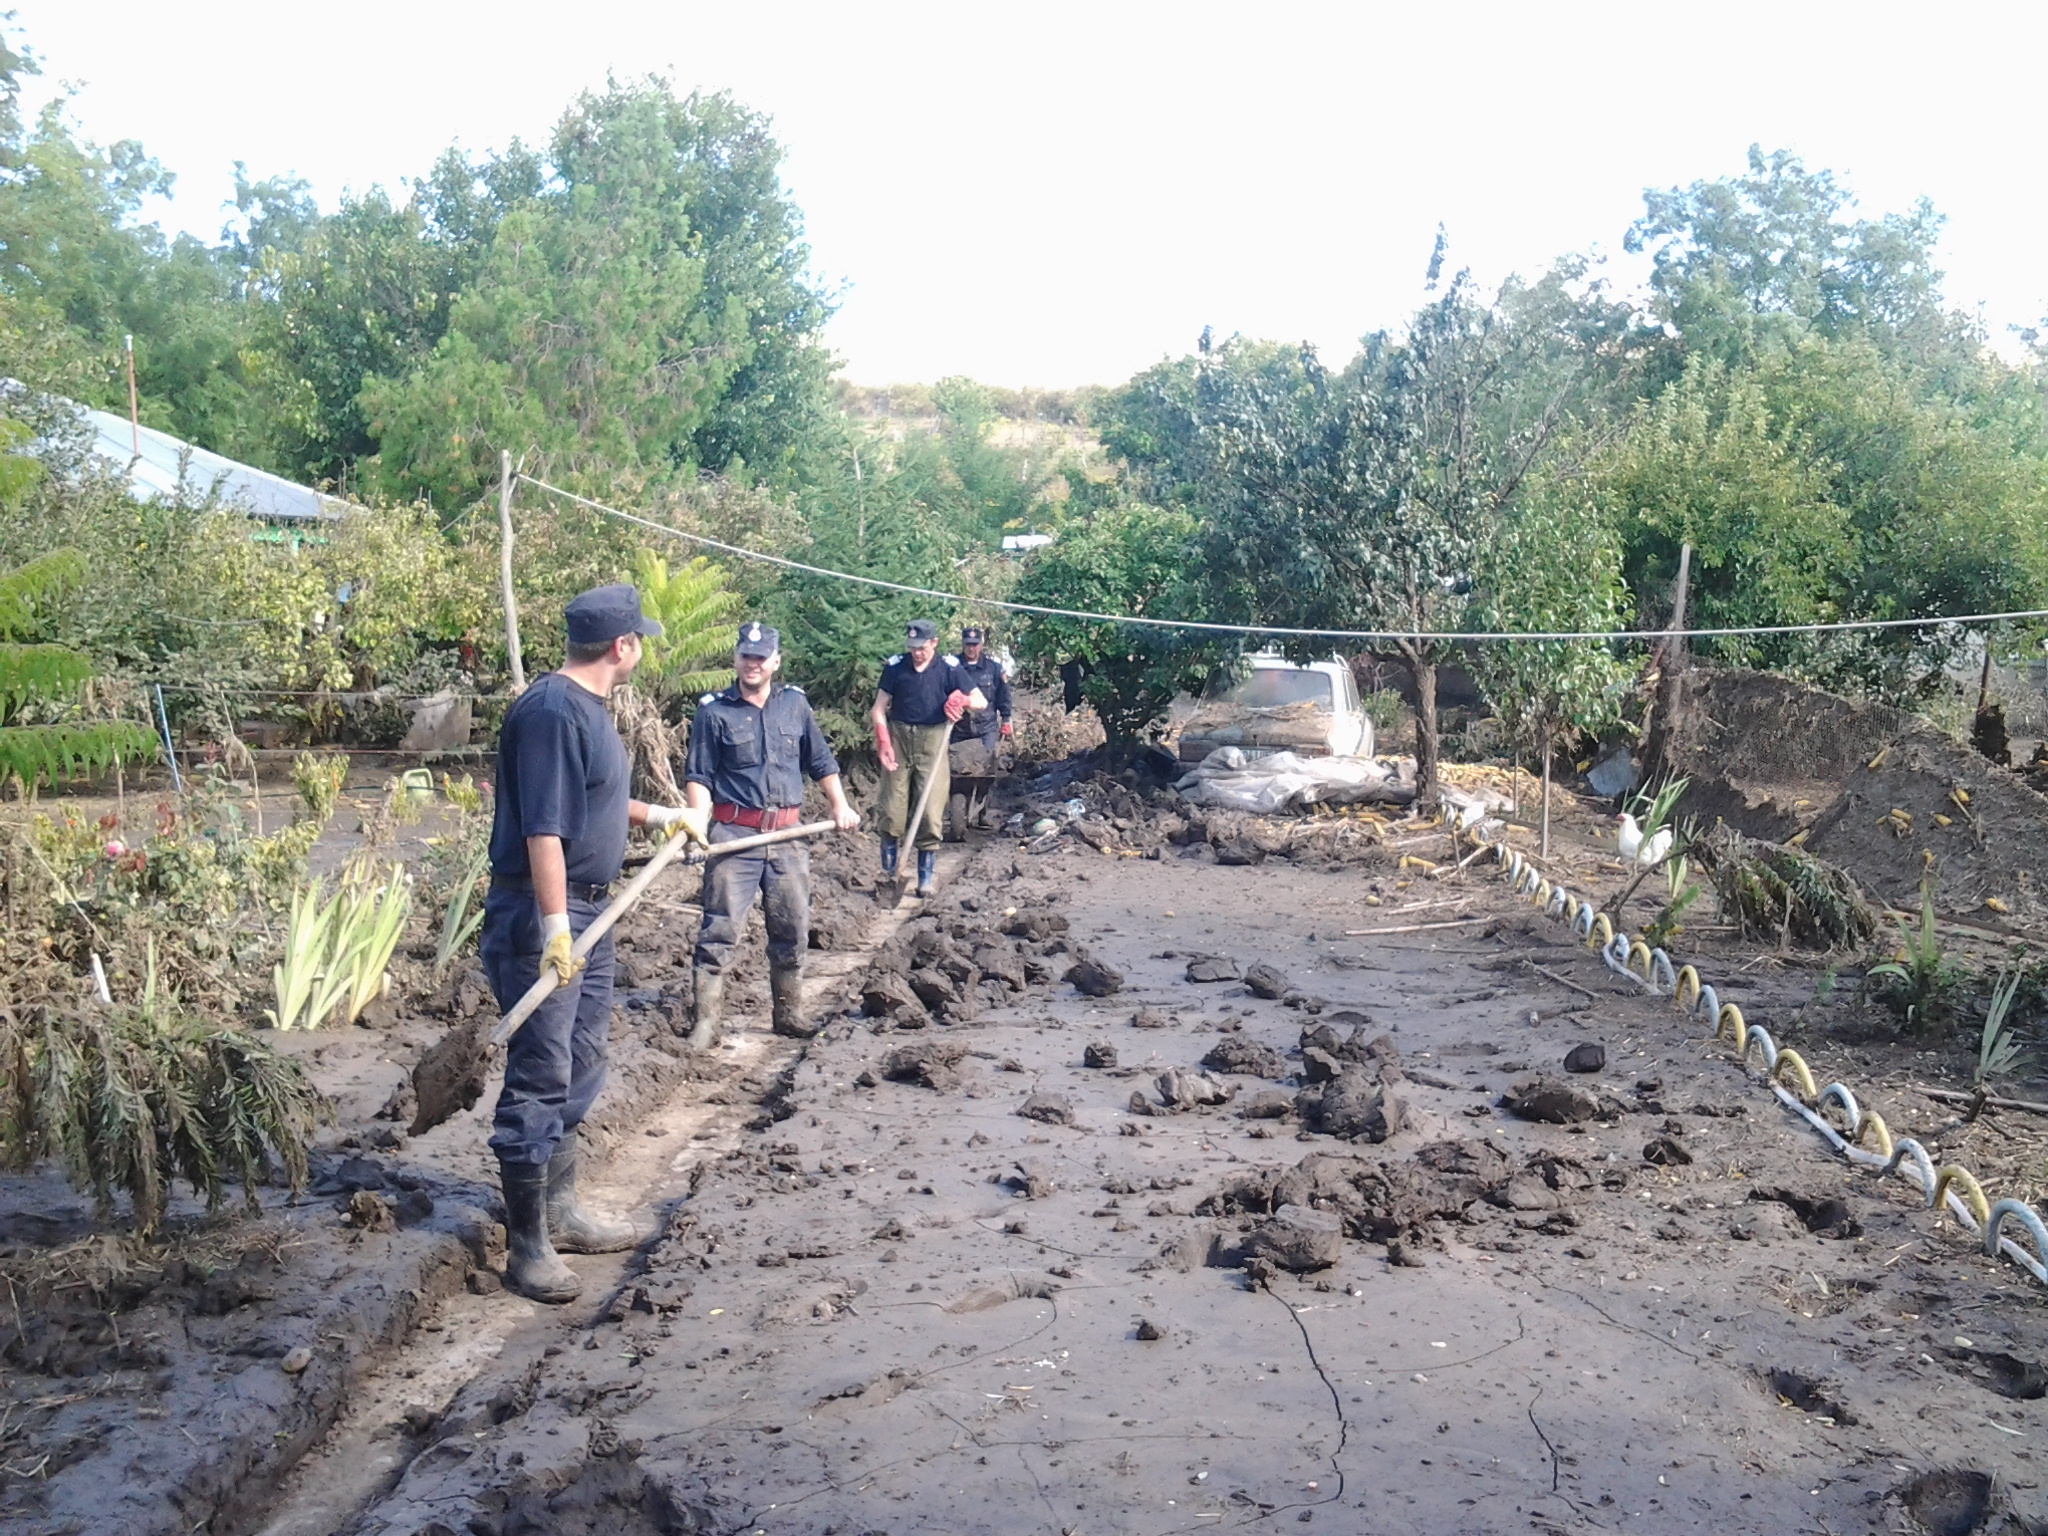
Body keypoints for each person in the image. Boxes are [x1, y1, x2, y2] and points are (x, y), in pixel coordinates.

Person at [480, 583, 709, 1305]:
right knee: (542, 1073)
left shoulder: (587, 709)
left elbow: (595, 801)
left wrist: (658, 815)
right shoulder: (551, 712)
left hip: (590, 913)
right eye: (639, 637)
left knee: (582, 1064)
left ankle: (561, 1209)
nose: (641, 646)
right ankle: (526, 1247)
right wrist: (554, 929)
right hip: (545, 915)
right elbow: (543, 829)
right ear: (623, 647)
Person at [683, 621, 861, 1048]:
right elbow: (699, 776)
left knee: (791, 926)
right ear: (736, 658)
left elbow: (820, 761)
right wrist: (695, 829)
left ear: (775, 662)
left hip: (787, 837)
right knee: (719, 930)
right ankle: (705, 1023)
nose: (753, 664)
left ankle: (788, 1013)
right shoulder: (713, 712)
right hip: (733, 836)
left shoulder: (794, 706)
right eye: (747, 656)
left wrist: (841, 806)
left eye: (761, 658)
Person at [869, 619, 986, 896]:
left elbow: (981, 701)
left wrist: (963, 700)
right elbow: (878, 709)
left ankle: (925, 878)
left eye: (921, 647)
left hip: (933, 742)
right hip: (898, 739)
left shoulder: (948, 670)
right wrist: (883, 740)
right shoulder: (896, 668)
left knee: (931, 811)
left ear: (933, 643)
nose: (916, 653)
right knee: (891, 809)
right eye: (912, 648)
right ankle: (889, 874)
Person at [947, 625, 1014, 831]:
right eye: (968, 645)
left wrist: (1006, 719)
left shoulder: (993, 669)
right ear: (963, 644)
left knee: (987, 772)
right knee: (959, 772)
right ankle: (957, 810)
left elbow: (1003, 696)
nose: (971, 649)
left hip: (986, 728)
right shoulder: (953, 667)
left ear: (981, 645)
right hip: (960, 729)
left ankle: (982, 813)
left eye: (975, 645)